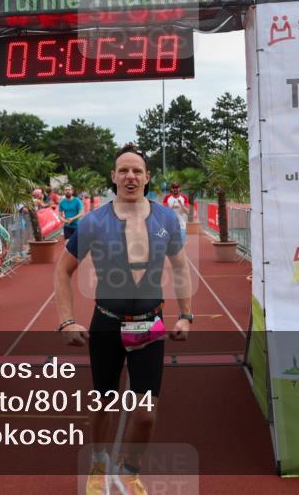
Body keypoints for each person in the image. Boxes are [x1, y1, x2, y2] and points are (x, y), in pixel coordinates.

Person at [54, 144, 193, 495]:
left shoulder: (165, 219)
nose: (130, 176)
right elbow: (63, 269)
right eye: (123, 170)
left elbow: (180, 268)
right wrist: (67, 320)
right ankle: (98, 464)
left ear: (147, 178)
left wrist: (186, 315)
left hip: (149, 323)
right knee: (103, 402)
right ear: (113, 177)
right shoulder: (94, 221)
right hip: (107, 323)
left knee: (145, 413)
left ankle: (131, 469)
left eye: (137, 171)